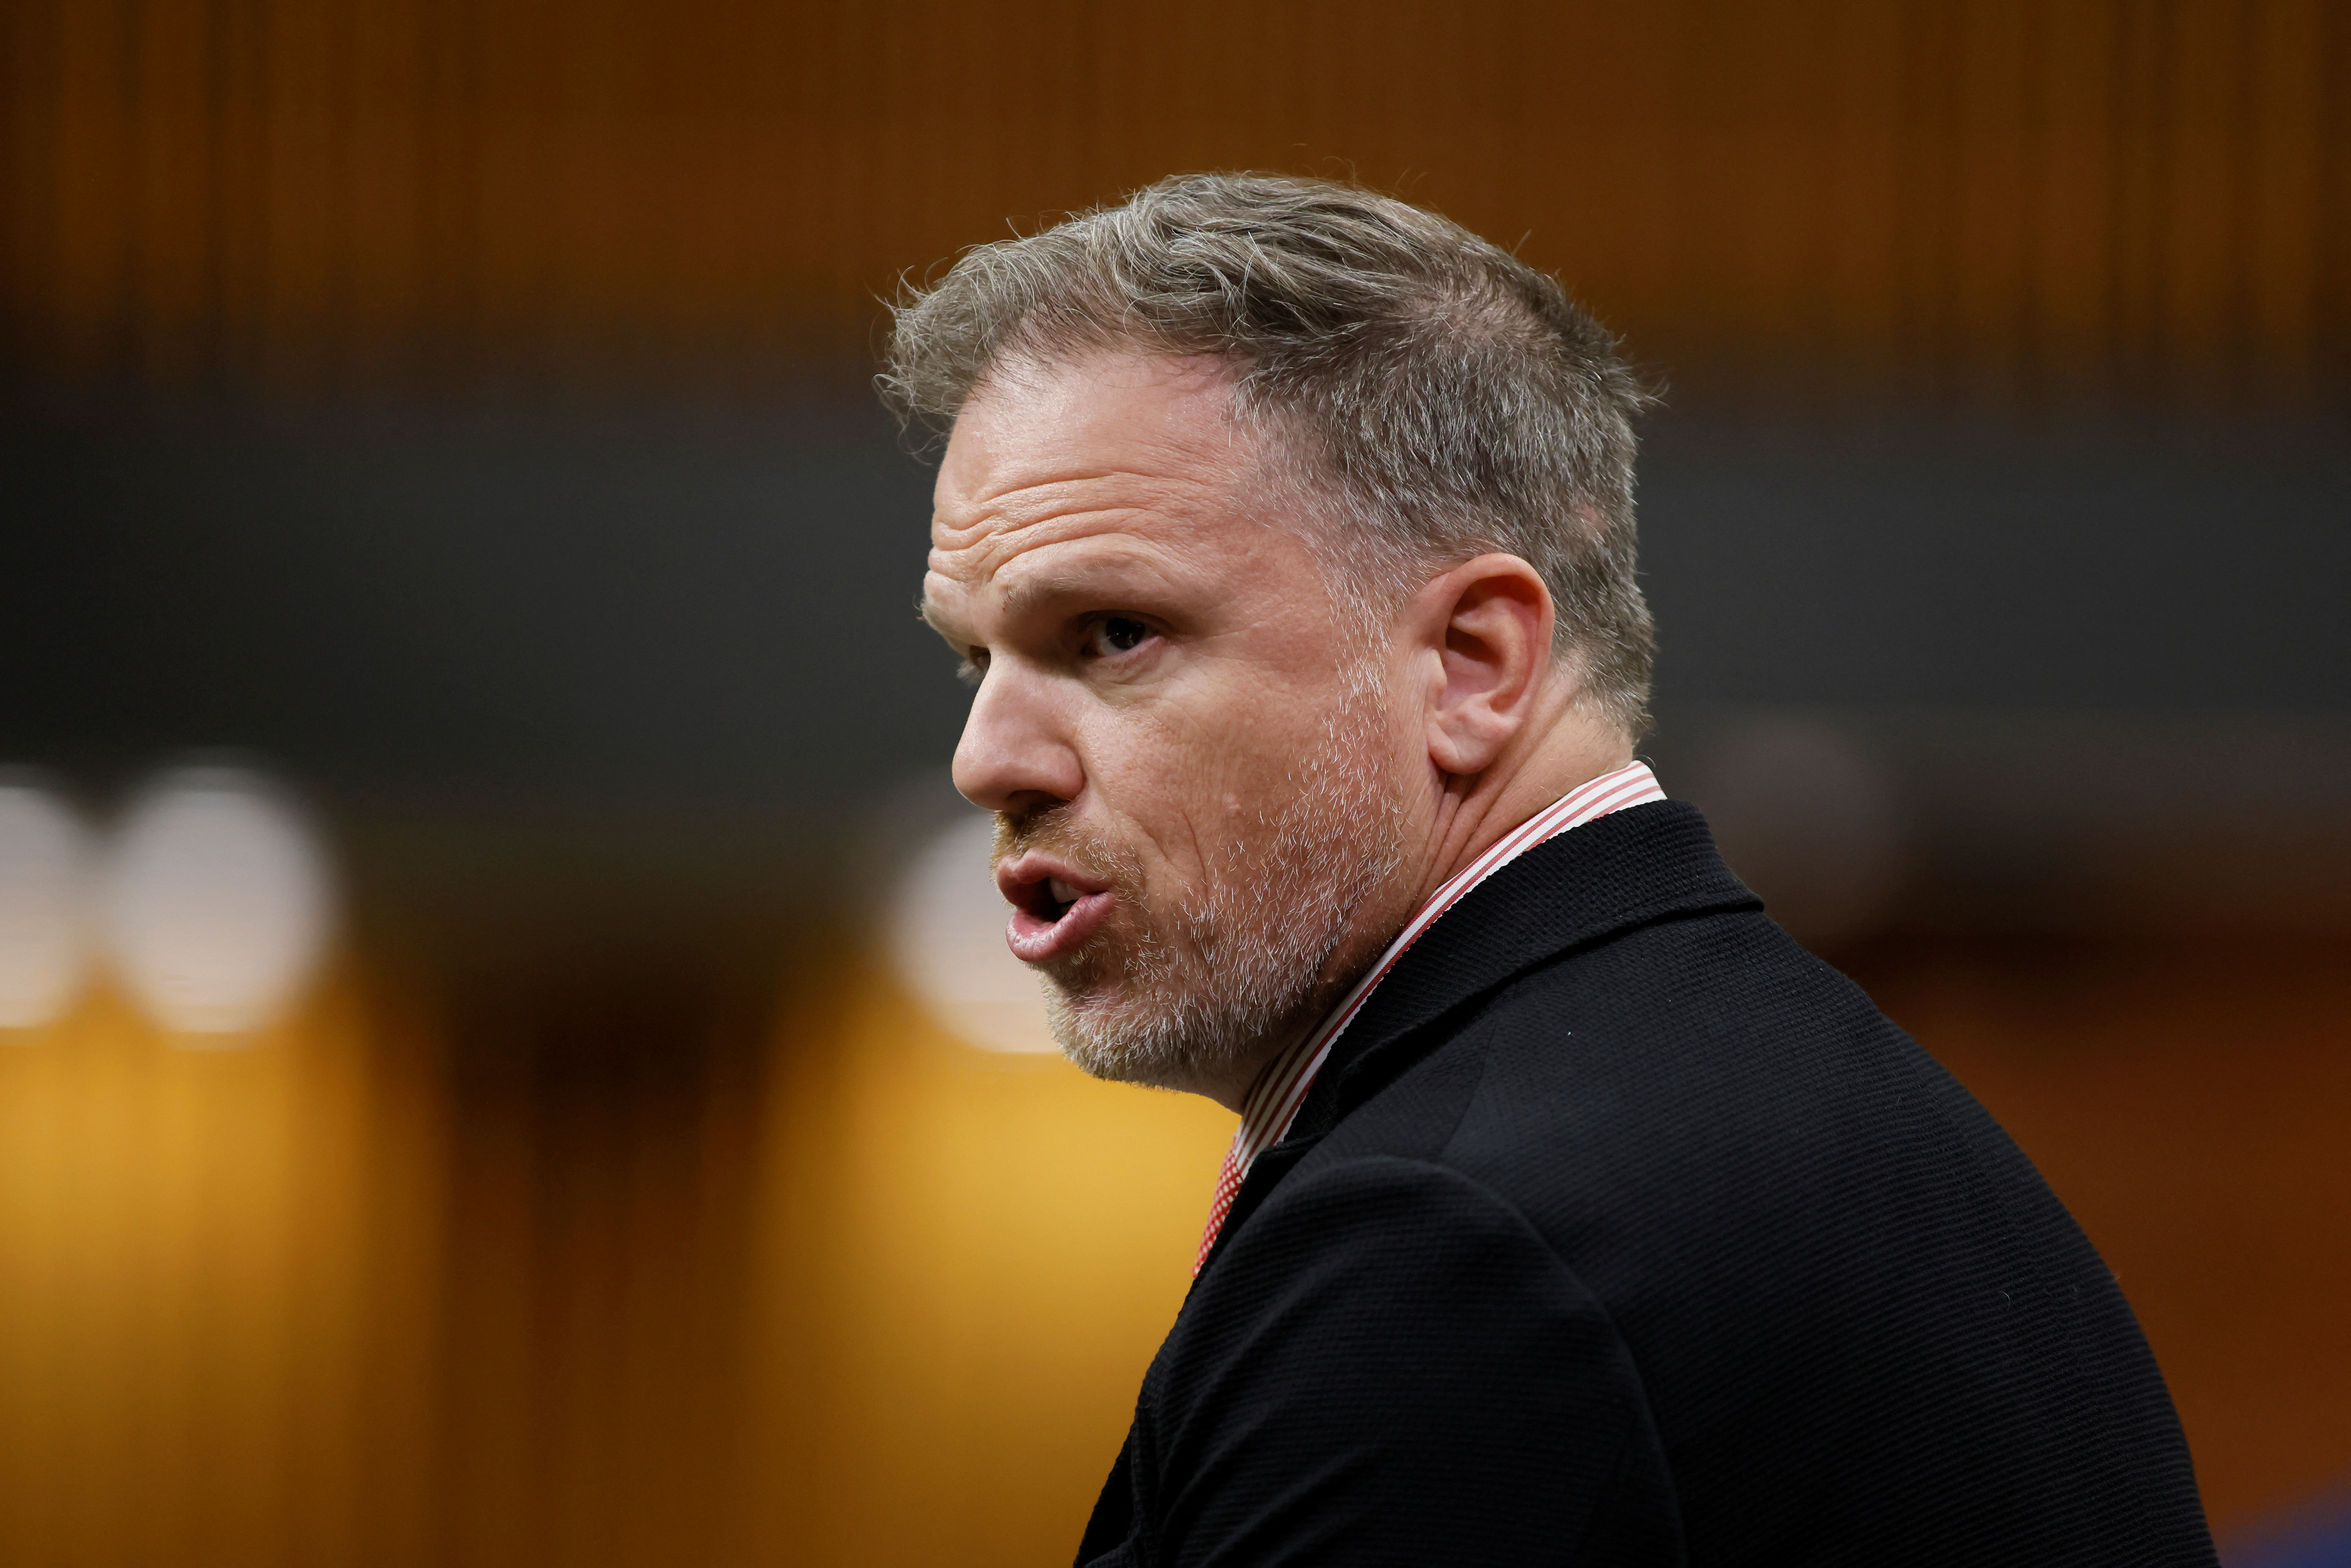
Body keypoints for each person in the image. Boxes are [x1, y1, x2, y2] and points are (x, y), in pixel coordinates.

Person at [884, 173, 2217, 1567]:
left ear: (1474, 666)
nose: (989, 759)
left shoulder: (1457, 1249)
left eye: (1111, 634)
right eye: (976, 658)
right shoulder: (1750, 1088)